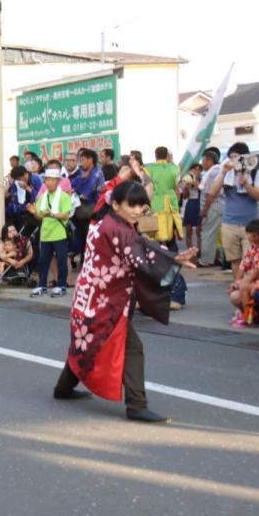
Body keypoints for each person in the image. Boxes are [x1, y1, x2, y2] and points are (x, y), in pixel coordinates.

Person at [53, 180, 199, 422]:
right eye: (131, 205)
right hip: (104, 300)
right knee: (131, 348)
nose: (137, 211)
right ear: (116, 204)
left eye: (141, 206)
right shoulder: (118, 230)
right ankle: (137, 405)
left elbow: (141, 246)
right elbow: (141, 257)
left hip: (91, 296)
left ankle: (63, 388)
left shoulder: (107, 223)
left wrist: (173, 257)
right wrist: (173, 260)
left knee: (86, 343)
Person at [207, 142, 259, 278]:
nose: (234, 161)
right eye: (231, 158)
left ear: (246, 158)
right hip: (229, 223)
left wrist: (246, 184)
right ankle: (238, 286)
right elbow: (212, 191)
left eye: (237, 157)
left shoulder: (257, 173)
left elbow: (258, 196)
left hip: (250, 225)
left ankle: (248, 290)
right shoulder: (227, 174)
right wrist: (223, 173)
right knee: (235, 260)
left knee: (250, 260)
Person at [31, 162, 74, 297]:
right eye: (47, 180)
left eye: (52, 180)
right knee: (43, 261)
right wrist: (33, 212)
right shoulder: (43, 197)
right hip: (46, 234)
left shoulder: (64, 196)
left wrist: (52, 214)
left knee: (62, 260)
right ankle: (42, 285)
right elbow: (39, 216)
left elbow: (66, 214)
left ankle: (61, 285)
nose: (49, 183)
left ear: (58, 181)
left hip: (59, 234)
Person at [146, 146, 182, 251]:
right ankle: (174, 259)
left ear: (155, 155)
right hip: (172, 205)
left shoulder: (148, 169)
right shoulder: (175, 168)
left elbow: (148, 188)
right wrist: (177, 206)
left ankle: (159, 260)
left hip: (155, 205)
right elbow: (177, 189)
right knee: (171, 236)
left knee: (155, 235)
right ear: (167, 156)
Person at [197, 148, 224, 267]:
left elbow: (210, 194)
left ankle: (206, 260)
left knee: (208, 233)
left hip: (213, 207)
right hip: (218, 207)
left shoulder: (214, 172)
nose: (202, 164)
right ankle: (217, 257)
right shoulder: (217, 170)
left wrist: (204, 210)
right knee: (217, 235)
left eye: (203, 161)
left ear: (209, 161)